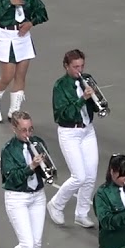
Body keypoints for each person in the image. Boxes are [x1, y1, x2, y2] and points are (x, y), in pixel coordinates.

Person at [0, 112, 52, 248]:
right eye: (24, 130)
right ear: (14, 129)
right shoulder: (8, 150)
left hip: (37, 196)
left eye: (30, 129)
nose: (28, 133)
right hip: (17, 197)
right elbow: (12, 178)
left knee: (37, 243)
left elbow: (47, 168)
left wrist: (46, 168)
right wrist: (31, 167)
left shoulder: (38, 143)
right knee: (27, 243)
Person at [47, 49, 101, 229]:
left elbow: (95, 105)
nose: (79, 70)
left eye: (82, 66)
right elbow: (63, 114)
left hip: (87, 131)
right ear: (66, 66)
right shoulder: (60, 86)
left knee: (91, 175)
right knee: (79, 176)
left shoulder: (87, 79)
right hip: (69, 132)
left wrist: (95, 99)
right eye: (75, 67)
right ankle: (56, 204)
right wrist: (82, 99)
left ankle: (81, 213)